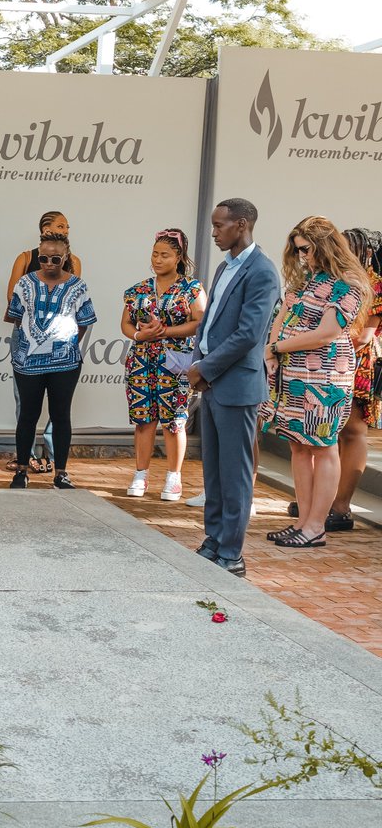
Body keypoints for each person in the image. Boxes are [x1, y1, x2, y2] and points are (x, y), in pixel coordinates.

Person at [260, 216, 370, 549]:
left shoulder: (350, 283)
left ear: (324, 244)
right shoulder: (305, 279)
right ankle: (303, 522)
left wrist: (275, 347)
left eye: (306, 249)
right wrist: (271, 353)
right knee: (297, 444)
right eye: (298, 250)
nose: (303, 256)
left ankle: (316, 526)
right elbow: (282, 317)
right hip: (292, 374)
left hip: (325, 376)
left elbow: (326, 333)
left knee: (323, 446)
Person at [186, 198, 280, 577]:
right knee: (213, 472)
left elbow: (248, 336)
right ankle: (213, 540)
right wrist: (198, 363)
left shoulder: (263, 272)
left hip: (237, 385)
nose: (213, 232)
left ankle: (232, 552)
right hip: (211, 382)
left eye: (219, 226)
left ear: (241, 225)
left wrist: (204, 367)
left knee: (236, 473)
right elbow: (208, 325)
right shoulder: (226, 267)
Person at [120, 228, 207, 501]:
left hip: (176, 363)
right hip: (142, 361)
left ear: (178, 257)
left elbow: (200, 321)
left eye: (165, 255)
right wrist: (138, 335)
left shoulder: (191, 289)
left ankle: (173, 478)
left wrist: (166, 332)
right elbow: (125, 322)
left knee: (174, 421)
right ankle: (140, 475)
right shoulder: (138, 290)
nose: (157, 260)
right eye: (155, 254)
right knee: (143, 420)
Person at [6, 231, 96, 489]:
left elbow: (84, 322)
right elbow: (16, 315)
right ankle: (21, 471)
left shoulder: (78, 286)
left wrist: (64, 344)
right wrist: (33, 343)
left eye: (55, 259)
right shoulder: (24, 283)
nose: (48, 264)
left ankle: (61, 472)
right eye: (43, 258)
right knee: (28, 415)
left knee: (60, 415)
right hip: (27, 363)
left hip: (65, 364)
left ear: (66, 257)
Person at [323, 228, 382, 530]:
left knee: (353, 430)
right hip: (337, 358)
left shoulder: (375, 282)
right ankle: (326, 498)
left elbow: (364, 336)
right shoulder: (340, 278)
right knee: (334, 431)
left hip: (361, 362)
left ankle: (342, 505)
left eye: (347, 246)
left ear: (366, 251)